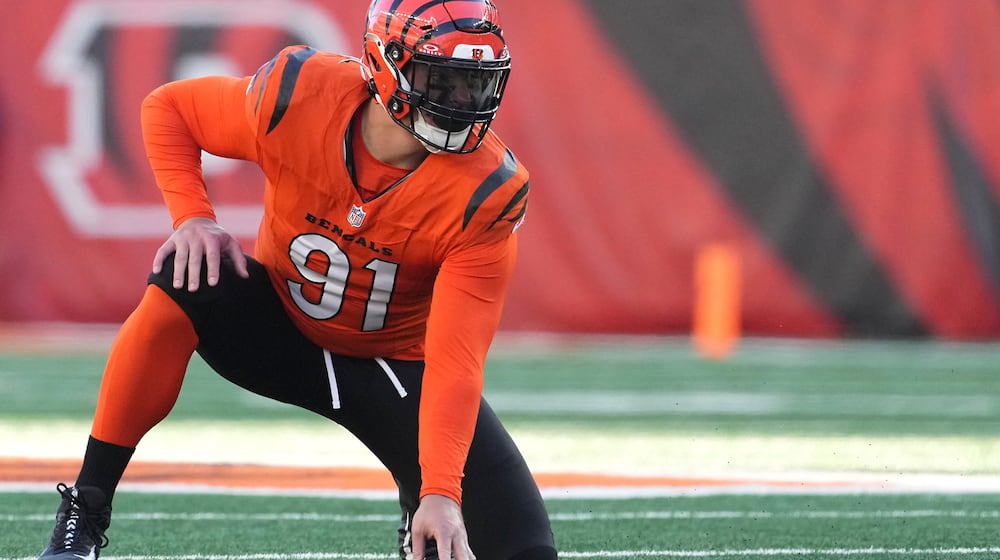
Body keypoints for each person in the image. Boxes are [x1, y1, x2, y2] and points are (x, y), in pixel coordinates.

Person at [36, 1, 556, 559]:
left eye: (475, 84)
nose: (461, 102)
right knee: (185, 274)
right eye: (443, 79)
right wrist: (193, 218)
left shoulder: (486, 192)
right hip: (279, 329)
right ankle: (85, 510)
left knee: (524, 549)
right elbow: (169, 108)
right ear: (387, 64)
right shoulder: (301, 97)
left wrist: (440, 492)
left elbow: (457, 359)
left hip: (392, 369)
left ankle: (415, 498)